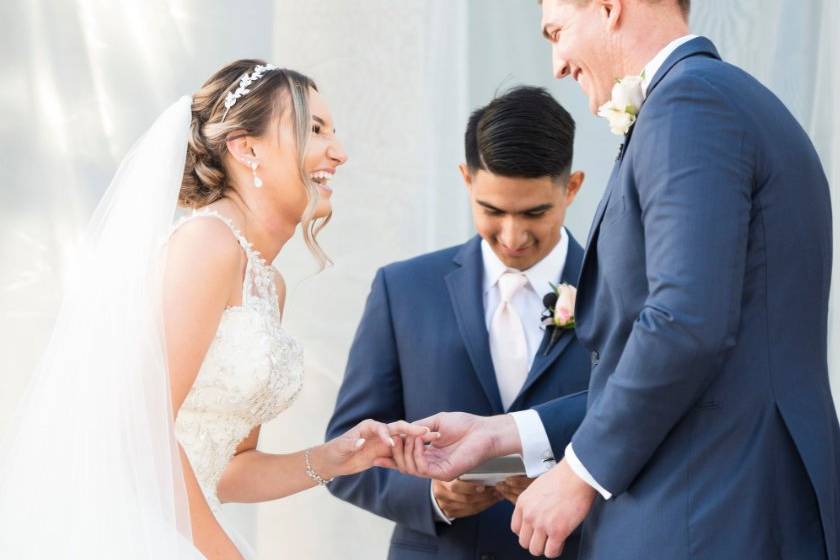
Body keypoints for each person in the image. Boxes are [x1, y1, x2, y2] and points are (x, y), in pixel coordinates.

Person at [388, 1, 840, 559]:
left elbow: (684, 324)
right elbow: (694, 365)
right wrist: (504, 435)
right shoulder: (717, 101)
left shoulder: (690, 105)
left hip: (712, 513)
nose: (555, 63)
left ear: (609, 7)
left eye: (557, 31)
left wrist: (578, 474)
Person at [0, 59, 433, 559]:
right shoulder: (206, 245)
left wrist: (337, 457)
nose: (339, 153)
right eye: (314, 130)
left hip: (188, 532)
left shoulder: (268, 283)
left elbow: (230, 469)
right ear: (246, 148)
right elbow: (141, 432)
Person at [326, 86, 591, 560]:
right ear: (466, 180)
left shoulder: (619, 292)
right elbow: (344, 453)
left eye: (535, 212)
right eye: (492, 211)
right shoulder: (403, 289)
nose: (512, 235)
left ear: (571, 187)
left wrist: (575, 485)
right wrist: (431, 497)